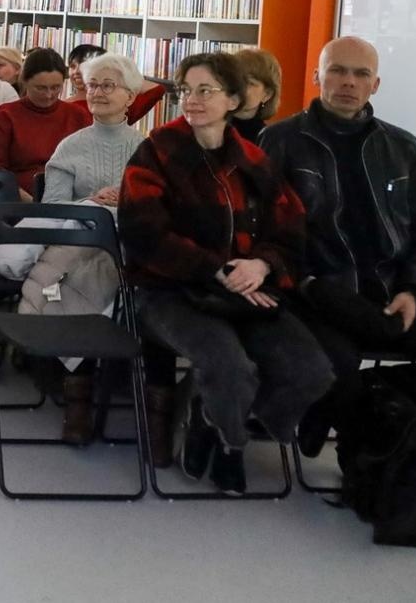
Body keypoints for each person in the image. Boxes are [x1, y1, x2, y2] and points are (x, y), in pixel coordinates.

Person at [259, 36, 416, 456]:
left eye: (361, 74)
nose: (348, 82)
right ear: (317, 76)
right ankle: (368, 463)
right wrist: (306, 285)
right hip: (317, 299)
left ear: (376, 84)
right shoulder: (279, 141)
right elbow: (262, 233)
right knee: (335, 370)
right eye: (337, 70)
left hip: (389, 299)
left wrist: (413, 290)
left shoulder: (402, 147)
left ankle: (354, 401)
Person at [119, 51, 332, 496]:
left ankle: (217, 419)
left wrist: (262, 264)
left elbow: (290, 229)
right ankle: (230, 443)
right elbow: (142, 233)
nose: (192, 100)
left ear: (234, 99)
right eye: (185, 90)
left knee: (312, 371)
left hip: (244, 289)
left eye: (206, 90)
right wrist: (216, 269)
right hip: (168, 290)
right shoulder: (156, 150)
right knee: (229, 366)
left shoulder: (255, 159)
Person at [0, 53, 145, 445]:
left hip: (126, 242)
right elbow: (52, 207)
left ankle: (79, 380)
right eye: (93, 85)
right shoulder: (70, 146)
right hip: (75, 235)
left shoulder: (148, 149)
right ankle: (80, 386)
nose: (97, 92)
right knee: (83, 271)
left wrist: (124, 201)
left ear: (131, 96)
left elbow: (157, 209)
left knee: (106, 272)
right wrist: (94, 201)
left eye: (108, 85)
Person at [0, 47, 91, 197]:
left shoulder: (78, 115)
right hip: (17, 197)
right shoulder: (7, 114)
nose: (49, 95)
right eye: (41, 88)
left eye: (56, 88)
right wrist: (21, 197)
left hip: (69, 196)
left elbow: (89, 164)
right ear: (25, 82)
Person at [230, 46, 281, 144]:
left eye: (249, 83)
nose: (238, 86)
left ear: (267, 94)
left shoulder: (270, 139)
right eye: (235, 78)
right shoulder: (210, 128)